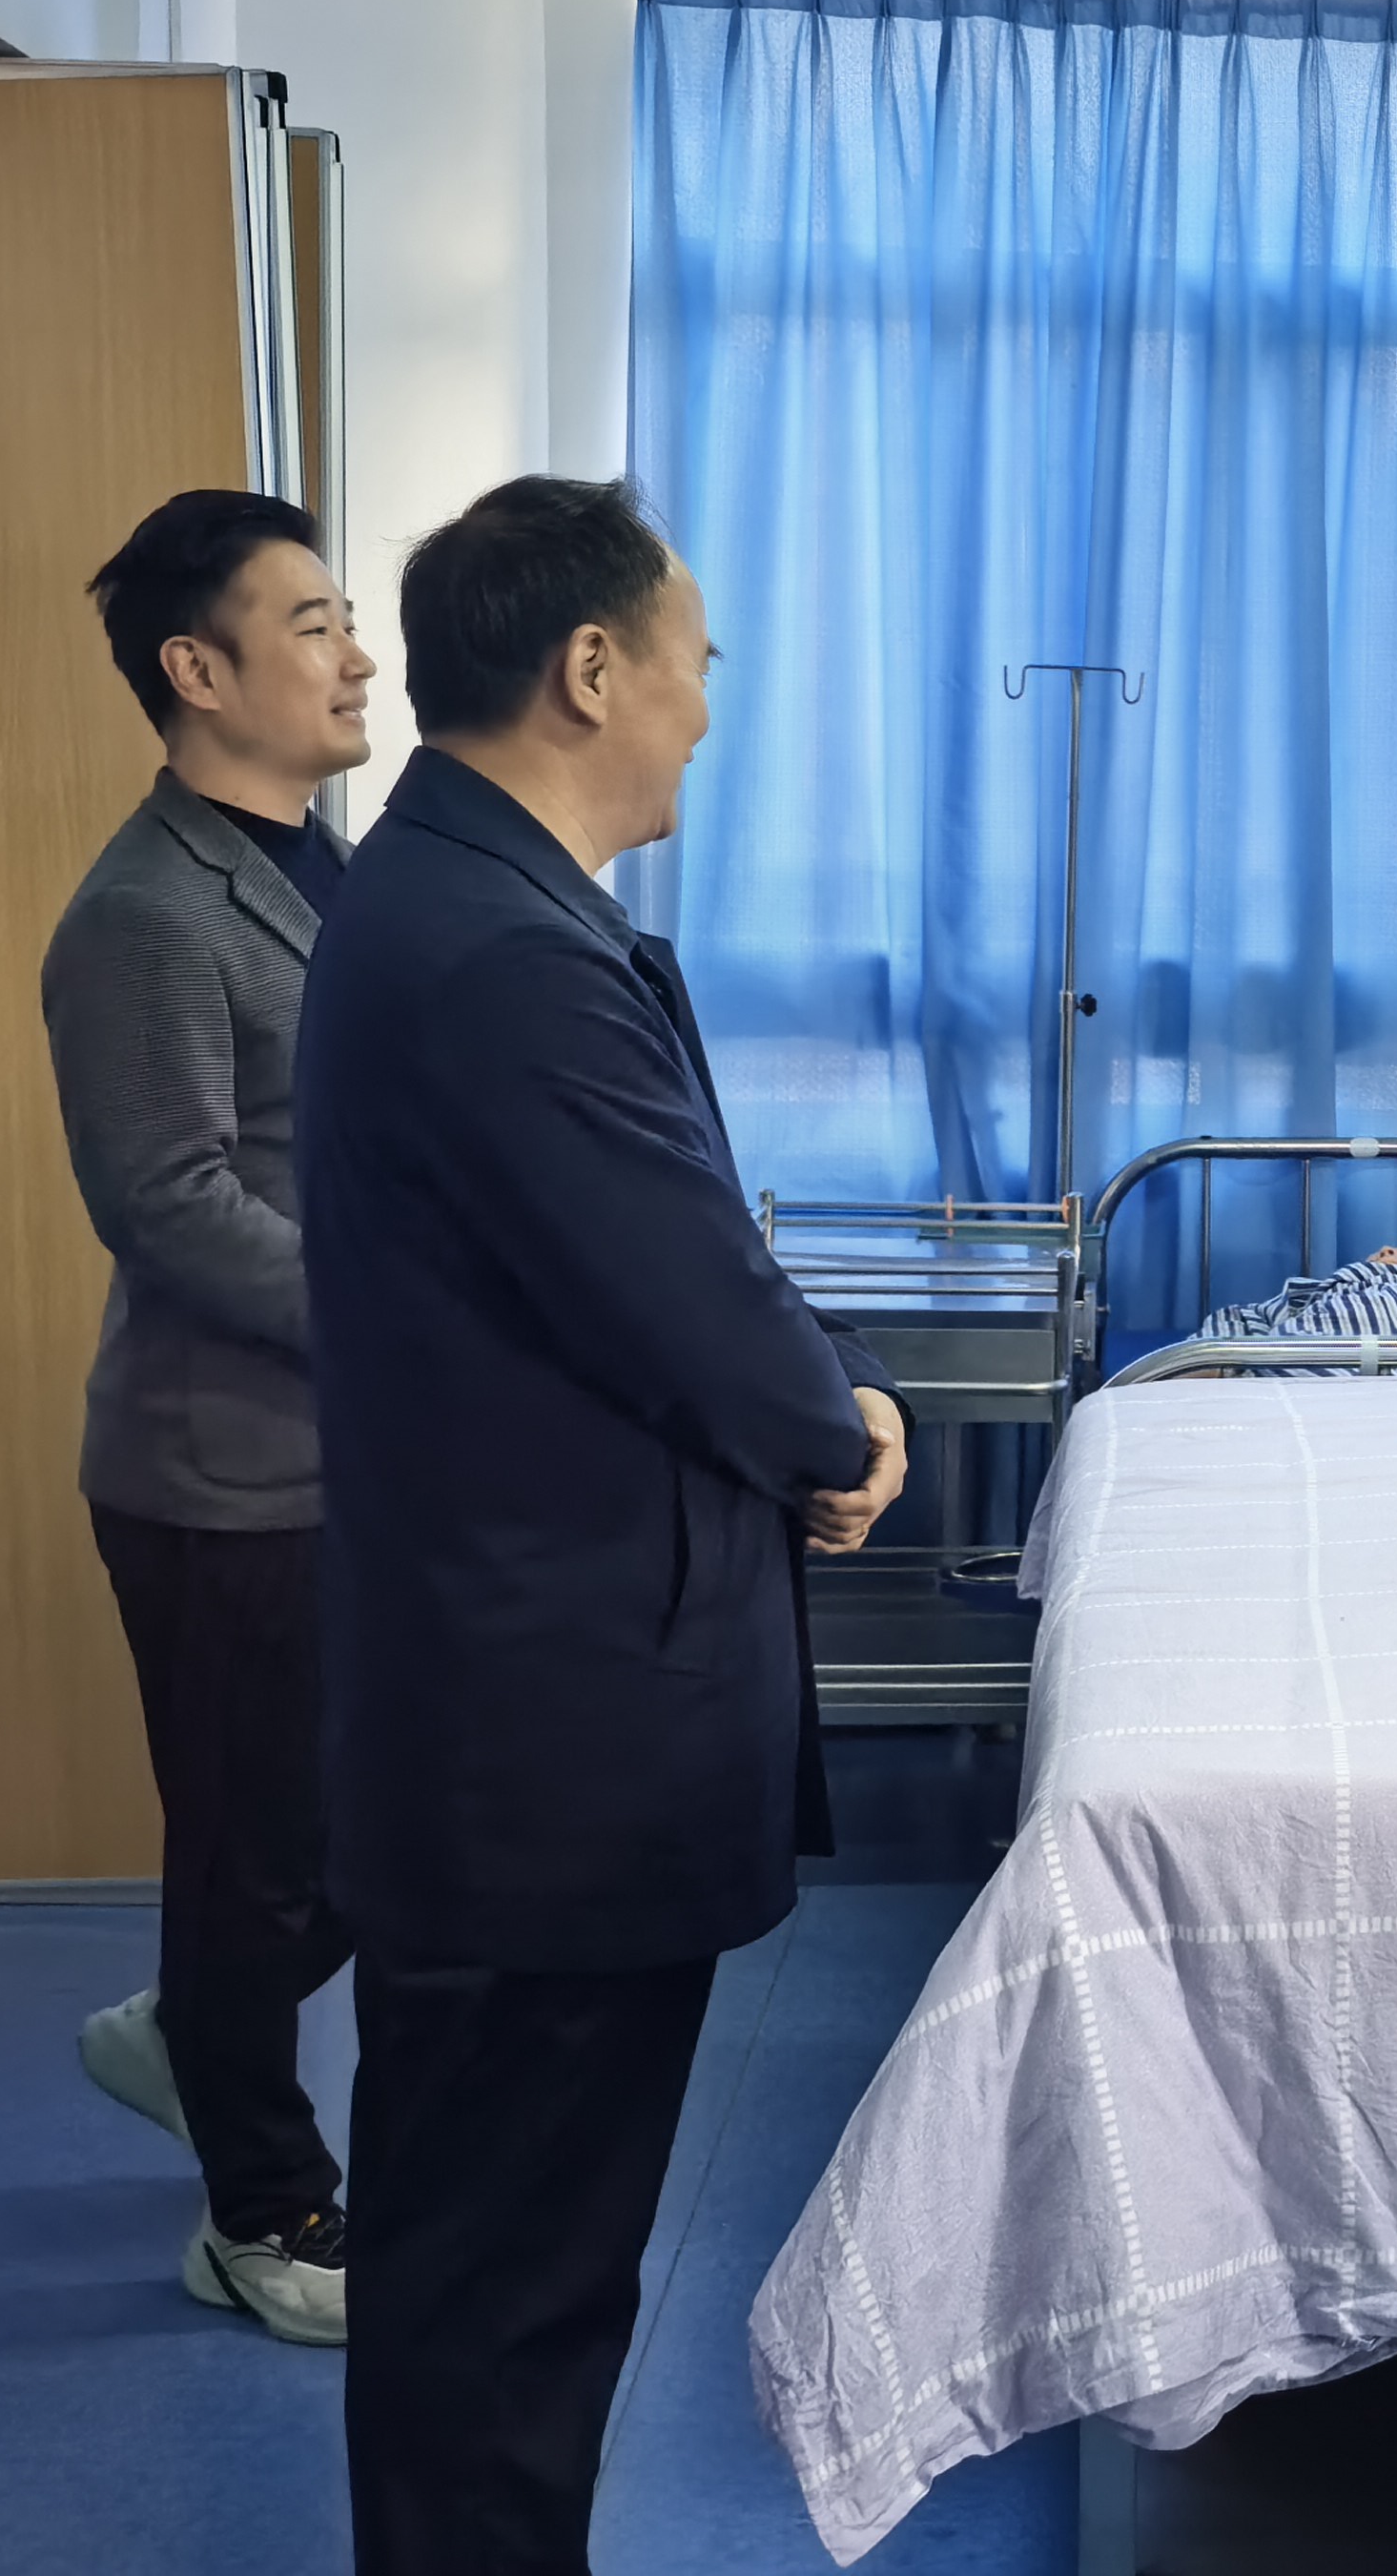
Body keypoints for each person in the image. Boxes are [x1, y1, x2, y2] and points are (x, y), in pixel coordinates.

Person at [297, 476, 908, 2576]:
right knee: (510, 2290)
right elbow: (688, 1296)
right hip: (541, 1735)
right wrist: (840, 1423)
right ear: (588, 668)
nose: (703, 710)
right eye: (692, 663)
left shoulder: (469, 903)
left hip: (512, 1692)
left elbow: (666, 1247)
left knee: (497, 2275)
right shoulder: (496, 953)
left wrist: (811, 1391)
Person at [42, 488, 377, 2344]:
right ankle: (264, 2215)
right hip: (221, 1469)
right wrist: (414, 1329)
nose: (358, 656)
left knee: (367, 1824)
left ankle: (190, 2027)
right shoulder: (147, 911)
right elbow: (169, 1203)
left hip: (362, 1453)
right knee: (253, 1852)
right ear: (198, 667)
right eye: (313, 622)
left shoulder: (332, 866)